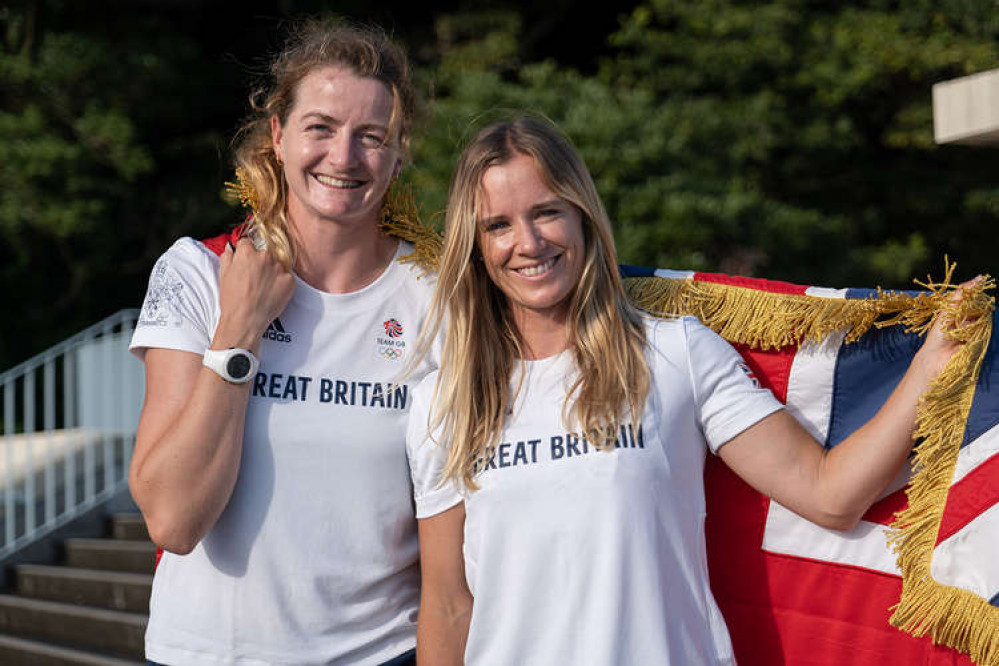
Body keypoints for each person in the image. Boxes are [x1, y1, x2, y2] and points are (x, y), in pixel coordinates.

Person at [406, 116, 974, 665]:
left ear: (582, 217)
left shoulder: (675, 352)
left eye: (546, 212)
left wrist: (931, 364)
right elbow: (449, 607)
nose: (527, 242)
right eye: (498, 225)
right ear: (475, 246)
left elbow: (830, 495)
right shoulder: (444, 401)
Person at [129, 19, 435, 666]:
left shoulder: (440, 295)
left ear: (399, 151)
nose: (343, 157)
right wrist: (239, 332)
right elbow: (173, 520)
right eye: (320, 127)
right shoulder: (199, 272)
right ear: (278, 135)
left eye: (371, 137)